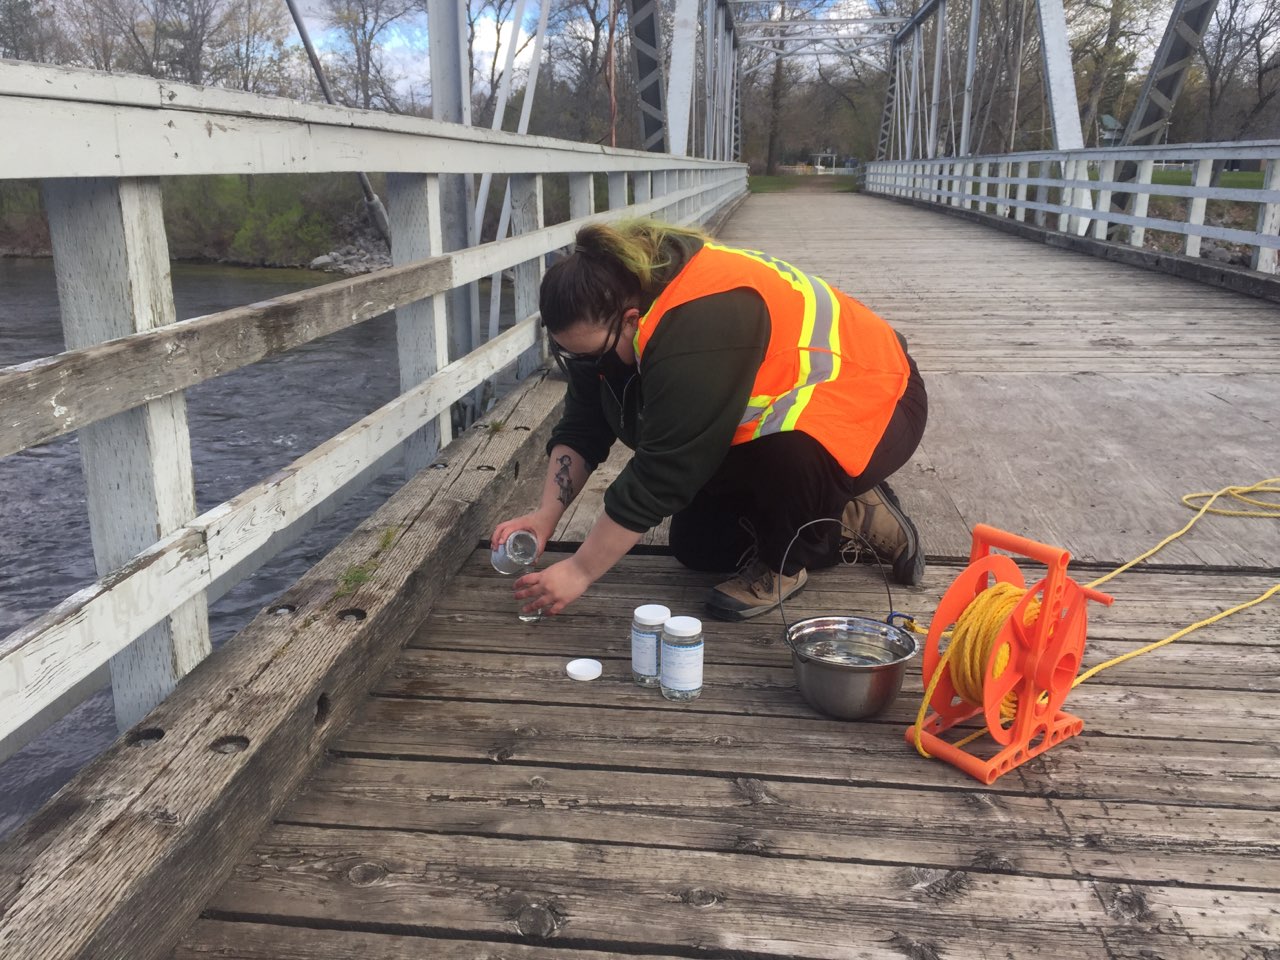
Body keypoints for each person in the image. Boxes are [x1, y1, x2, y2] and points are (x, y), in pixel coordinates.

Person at [491, 218, 928, 622]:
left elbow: (664, 472)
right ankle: (845, 512)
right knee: (699, 546)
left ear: (630, 321)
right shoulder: (610, 313)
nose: (588, 365)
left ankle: (785, 563)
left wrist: (580, 570)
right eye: (573, 355)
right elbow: (584, 424)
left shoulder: (697, 324)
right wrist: (546, 515)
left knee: (792, 455)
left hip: (876, 397)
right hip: (783, 409)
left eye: (594, 355)